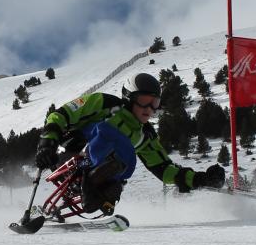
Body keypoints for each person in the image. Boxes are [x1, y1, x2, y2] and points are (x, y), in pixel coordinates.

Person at [34, 72, 226, 215]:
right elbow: (62, 114)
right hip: (66, 154)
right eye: (144, 101)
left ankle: (100, 191)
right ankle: (93, 179)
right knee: (113, 137)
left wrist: (200, 179)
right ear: (129, 97)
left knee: (124, 164)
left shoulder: (145, 135)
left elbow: (165, 169)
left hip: (98, 173)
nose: (149, 109)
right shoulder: (105, 103)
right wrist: (47, 143)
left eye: (155, 103)